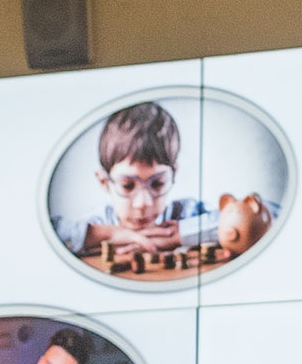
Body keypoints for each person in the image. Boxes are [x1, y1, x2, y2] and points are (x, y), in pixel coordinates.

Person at [53, 101, 216, 257]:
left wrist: (182, 234)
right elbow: (51, 231)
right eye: (128, 185)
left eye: (157, 184)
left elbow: (229, 219)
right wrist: (105, 234)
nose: (143, 203)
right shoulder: (98, 223)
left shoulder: (187, 213)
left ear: (173, 175)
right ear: (105, 182)